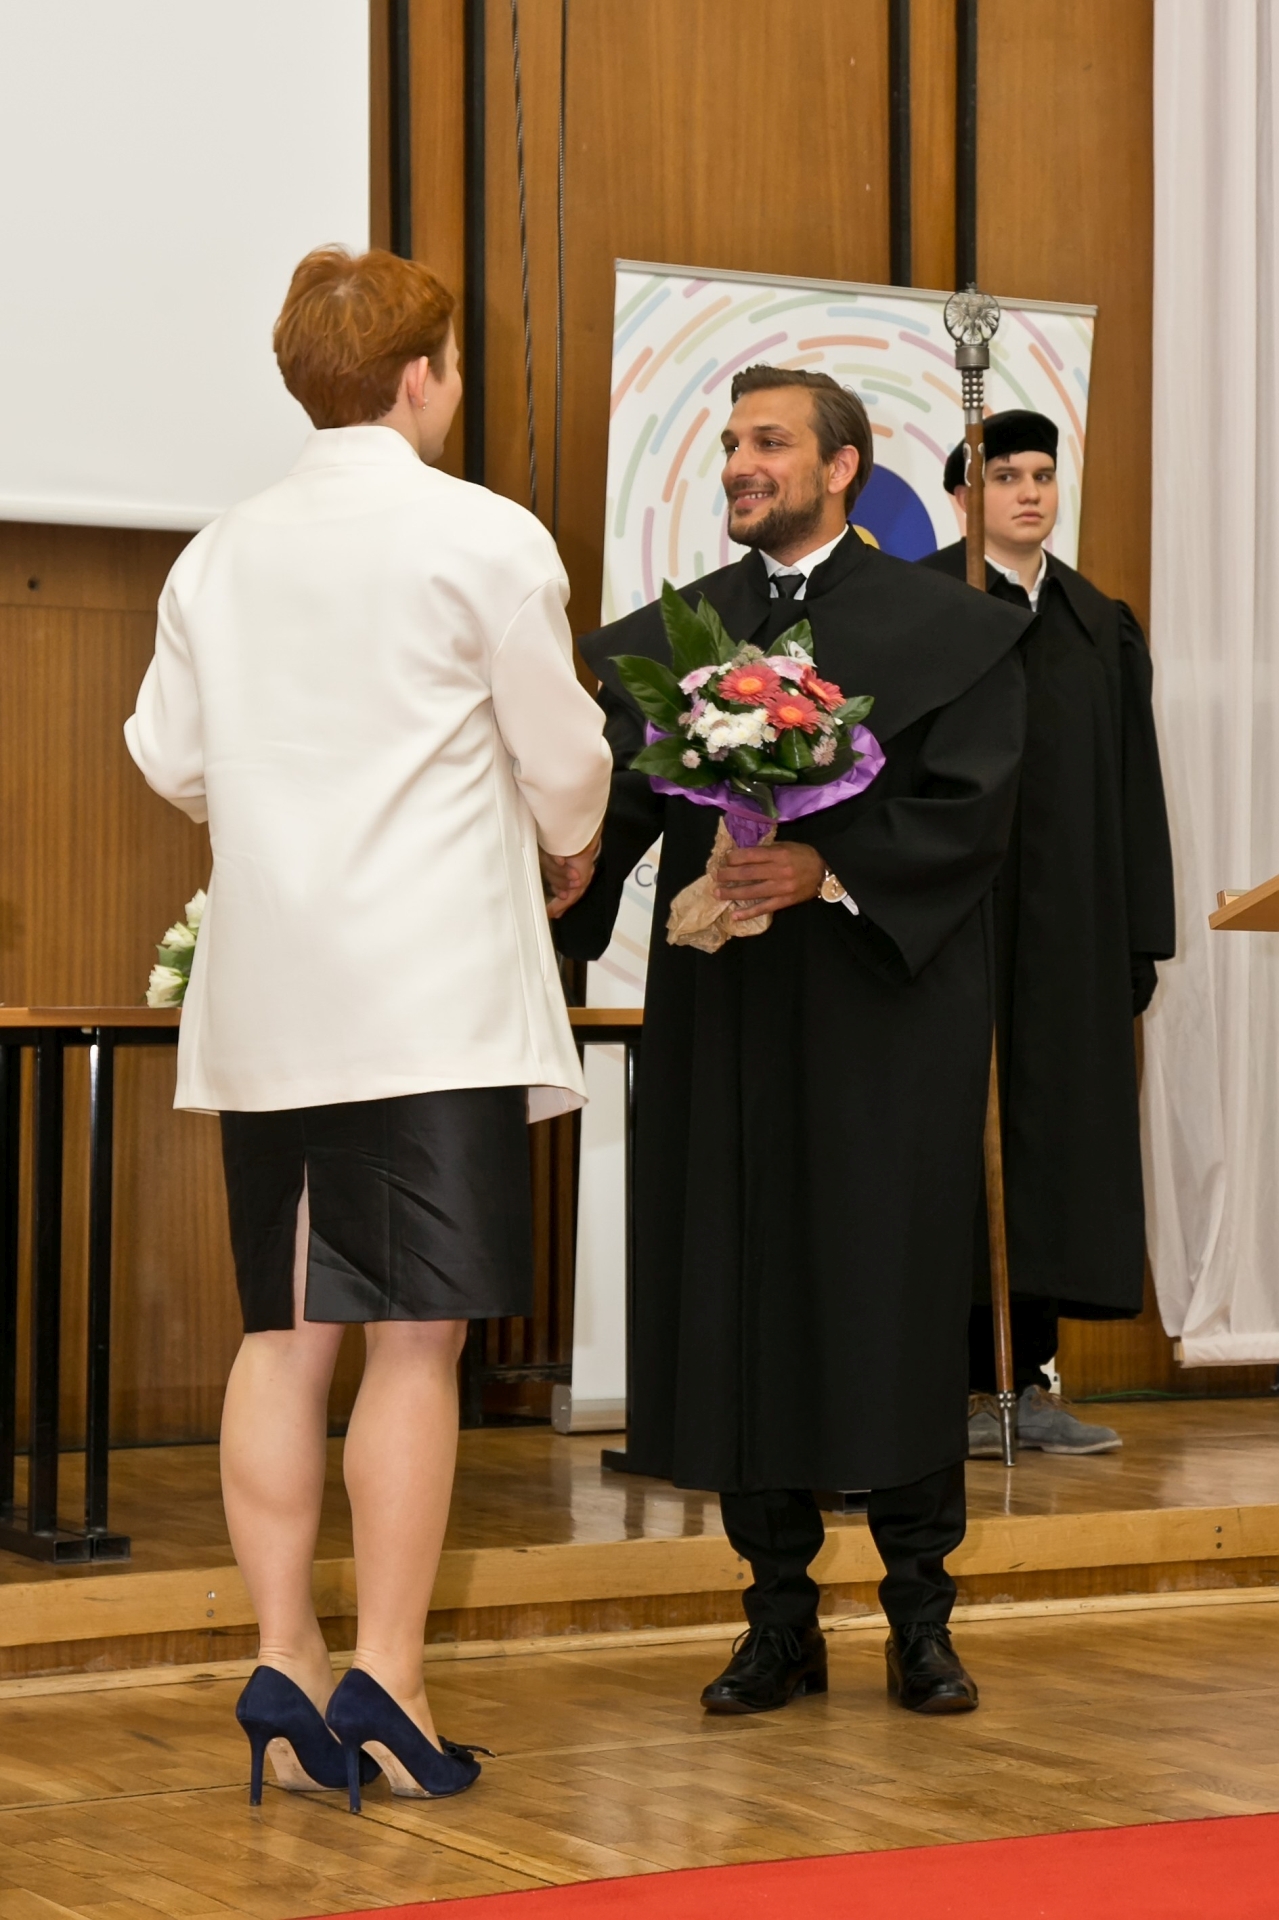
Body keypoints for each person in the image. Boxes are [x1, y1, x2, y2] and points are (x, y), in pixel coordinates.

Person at [125, 246, 610, 1809]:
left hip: (273, 995)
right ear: (420, 377)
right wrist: (567, 841)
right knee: (413, 1336)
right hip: (427, 1002)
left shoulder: (218, 553)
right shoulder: (481, 535)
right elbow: (564, 756)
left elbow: (169, 756)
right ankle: (387, 1680)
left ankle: (281, 1655)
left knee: (283, 1334)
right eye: (451, 363)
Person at [551, 367, 1030, 1718]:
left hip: (885, 1019)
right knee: (740, 1289)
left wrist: (826, 865)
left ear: (840, 466)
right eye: (727, 444)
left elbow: (975, 811)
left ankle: (920, 1622)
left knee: (889, 1293)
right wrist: (551, 877)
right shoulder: (682, 637)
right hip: (728, 1016)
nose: (737, 463)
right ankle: (775, 1622)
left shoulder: (952, 630)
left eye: (767, 442)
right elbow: (614, 814)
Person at [922, 412, 1175, 1459]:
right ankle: (944, 1391)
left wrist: (1140, 935)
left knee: (1052, 1152)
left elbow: (1135, 785)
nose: (1028, 492)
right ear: (963, 496)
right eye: (1005, 476)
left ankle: (1026, 1384)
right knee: (949, 1153)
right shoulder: (920, 608)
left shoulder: (1095, 623)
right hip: (949, 931)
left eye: (1041, 474)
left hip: (1070, 935)